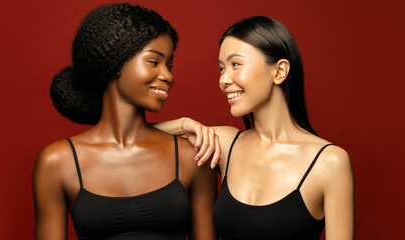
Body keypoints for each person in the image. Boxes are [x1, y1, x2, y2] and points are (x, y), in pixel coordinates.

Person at [155, 16, 354, 239]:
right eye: (221, 68)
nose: (224, 79)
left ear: (279, 72)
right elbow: (136, 135)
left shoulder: (330, 162)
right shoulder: (227, 144)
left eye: (235, 64)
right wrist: (184, 123)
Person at [32, 3, 217, 240]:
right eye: (154, 62)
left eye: (169, 65)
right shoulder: (57, 163)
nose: (168, 76)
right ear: (114, 63)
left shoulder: (193, 158)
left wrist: (180, 125)